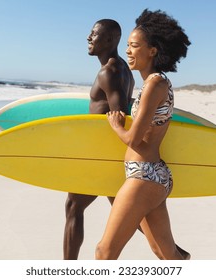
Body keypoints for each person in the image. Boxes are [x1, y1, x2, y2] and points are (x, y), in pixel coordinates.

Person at [95, 9, 191, 260]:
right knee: (165, 253)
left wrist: (116, 125)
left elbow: (133, 139)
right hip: (150, 175)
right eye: (127, 45)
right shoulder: (153, 83)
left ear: (153, 51)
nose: (128, 51)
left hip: (145, 175)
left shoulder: (155, 84)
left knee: (104, 252)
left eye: (134, 45)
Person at [63, 19, 135, 260]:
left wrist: (106, 159)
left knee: (74, 206)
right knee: (130, 215)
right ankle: (175, 254)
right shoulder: (122, 68)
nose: (88, 37)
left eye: (93, 34)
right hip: (109, 155)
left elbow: (120, 116)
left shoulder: (109, 72)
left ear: (110, 40)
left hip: (103, 155)